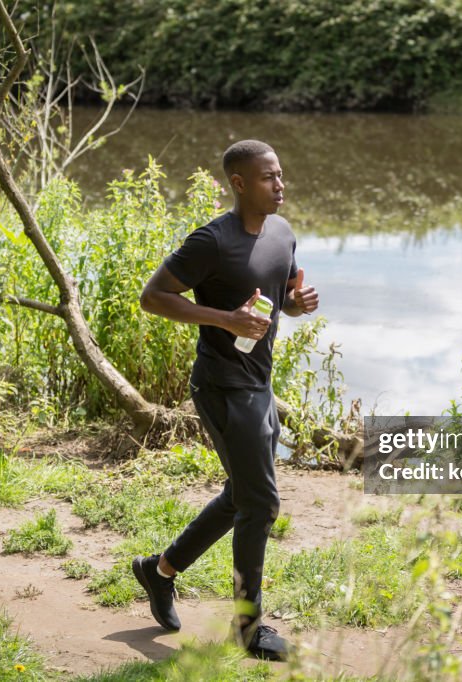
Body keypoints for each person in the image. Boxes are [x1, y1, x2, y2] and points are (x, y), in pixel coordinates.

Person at [133, 139, 319, 661]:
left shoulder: (282, 234)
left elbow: (275, 295)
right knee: (260, 503)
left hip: (259, 384)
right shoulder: (212, 241)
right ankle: (247, 628)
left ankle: (159, 570)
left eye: (281, 175)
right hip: (220, 386)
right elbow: (153, 297)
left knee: (243, 494)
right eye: (267, 178)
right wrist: (223, 319)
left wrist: (296, 303)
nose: (279, 185)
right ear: (239, 183)